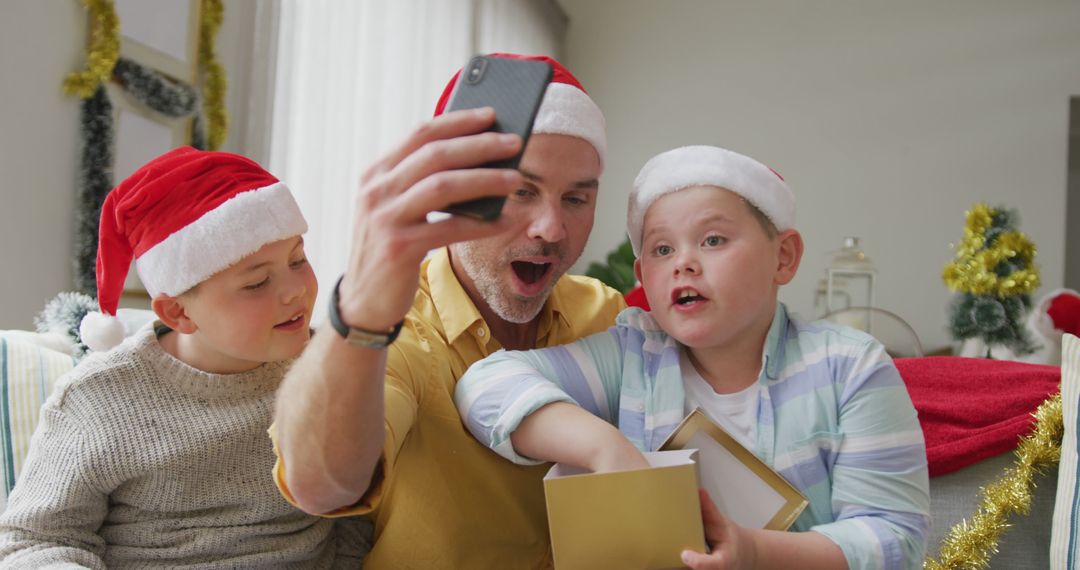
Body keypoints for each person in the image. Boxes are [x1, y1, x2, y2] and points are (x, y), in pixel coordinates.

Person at [455, 145, 931, 569]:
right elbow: (485, 385)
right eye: (662, 249)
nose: (684, 262)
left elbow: (895, 539)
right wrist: (606, 449)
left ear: (783, 257)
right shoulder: (632, 357)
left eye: (713, 240)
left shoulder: (850, 367)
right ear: (643, 277)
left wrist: (754, 553)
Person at [271, 53, 626, 568]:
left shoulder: (605, 313)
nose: (551, 229)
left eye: (576, 199)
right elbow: (321, 487)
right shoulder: (398, 332)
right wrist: (362, 314)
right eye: (521, 191)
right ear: (458, 192)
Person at [0, 147, 340, 568]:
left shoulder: (335, 367)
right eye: (257, 283)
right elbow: (34, 540)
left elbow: (360, 517)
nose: (295, 291)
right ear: (179, 313)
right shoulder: (100, 398)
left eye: (297, 260)